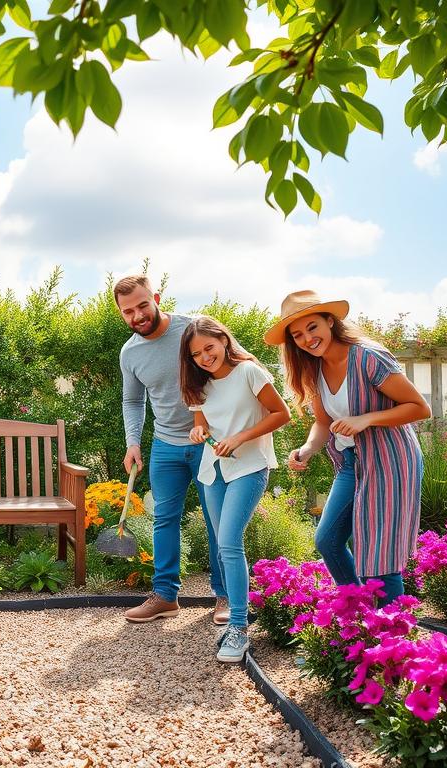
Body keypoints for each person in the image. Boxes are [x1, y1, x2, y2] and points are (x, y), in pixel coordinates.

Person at [264, 290, 430, 605]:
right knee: (327, 540)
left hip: (391, 461)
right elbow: (324, 422)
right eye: (297, 335)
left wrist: (366, 419)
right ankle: (360, 610)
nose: (307, 339)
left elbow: (419, 408)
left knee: (380, 559)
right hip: (351, 464)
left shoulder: (368, 357)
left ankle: (392, 640)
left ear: (330, 320)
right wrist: (308, 448)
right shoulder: (313, 368)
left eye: (312, 327)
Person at [115, 275, 228, 625]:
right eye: (128, 311)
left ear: (157, 297)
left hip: (209, 443)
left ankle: (226, 596)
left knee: (218, 521)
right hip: (165, 445)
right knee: (165, 519)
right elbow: (133, 400)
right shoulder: (130, 352)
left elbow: (230, 370)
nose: (137, 316)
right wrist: (133, 442)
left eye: (142, 305)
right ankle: (165, 596)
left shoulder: (192, 331)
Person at [181, 316, 290, 662]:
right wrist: (197, 433)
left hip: (249, 466)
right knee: (223, 546)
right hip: (213, 471)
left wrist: (240, 437)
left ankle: (239, 628)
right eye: (196, 354)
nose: (204, 357)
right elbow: (201, 426)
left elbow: (281, 413)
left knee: (229, 542)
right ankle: (236, 622)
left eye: (208, 348)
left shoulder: (250, 373)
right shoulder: (199, 385)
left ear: (223, 341)